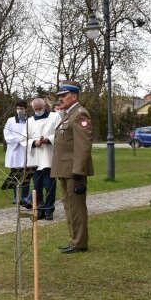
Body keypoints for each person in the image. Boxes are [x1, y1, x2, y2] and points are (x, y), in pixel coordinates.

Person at [51, 81, 94, 254]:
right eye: (60, 96)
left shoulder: (79, 114)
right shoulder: (69, 114)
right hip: (65, 169)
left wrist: (78, 171)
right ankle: (75, 240)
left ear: (74, 96)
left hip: (73, 171)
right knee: (69, 206)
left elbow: (83, 146)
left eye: (64, 95)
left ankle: (79, 242)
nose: (60, 98)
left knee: (76, 207)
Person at [25, 98, 61, 221]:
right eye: (35, 109)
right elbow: (24, 139)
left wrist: (48, 140)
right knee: (37, 187)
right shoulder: (29, 121)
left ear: (44, 106)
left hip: (48, 157)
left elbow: (60, 134)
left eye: (39, 109)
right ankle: (39, 209)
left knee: (49, 186)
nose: (37, 111)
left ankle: (49, 209)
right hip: (35, 159)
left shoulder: (54, 117)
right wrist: (34, 142)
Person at [3, 100, 30, 207]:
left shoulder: (30, 121)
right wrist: (20, 139)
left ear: (26, 109)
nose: (20, 110)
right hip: (15, 151)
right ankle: (16, 196)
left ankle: (24, 196)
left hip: (26, 151)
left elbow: (31, 134)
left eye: (22, 108)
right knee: (15, 175)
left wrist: (25, 141)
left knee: (26, 175)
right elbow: (7, 135)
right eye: (18, 108)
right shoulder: (10, 121)